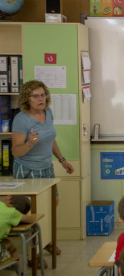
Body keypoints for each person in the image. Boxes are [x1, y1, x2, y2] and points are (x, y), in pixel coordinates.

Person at [11, 80, 74, 263]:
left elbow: (50, 139)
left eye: (43, 95)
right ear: (26, 99)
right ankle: (33, 254)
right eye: (36, 96)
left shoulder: (48, 113)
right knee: (31, 211)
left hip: (47, 168)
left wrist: (62, 160)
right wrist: (29, 143)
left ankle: (44, 239)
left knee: (52, 203)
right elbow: (15, 151)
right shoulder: (21, 119)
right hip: (28, 170)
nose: (41, 99)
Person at [0, 195, 35, 268]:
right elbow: (31, 219)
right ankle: (21, 272)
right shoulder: (12, 212)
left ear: (8, 196)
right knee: (10, 246)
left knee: (5, 241)